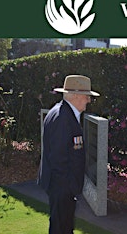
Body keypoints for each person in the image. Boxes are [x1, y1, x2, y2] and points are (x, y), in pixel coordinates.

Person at [37, 74, 100, 234]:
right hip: (62, 187)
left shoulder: (63, 113)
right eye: (87, 96)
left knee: (63, 227)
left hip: (62, 187)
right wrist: (70, 188)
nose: (89, 101)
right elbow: (58, 159)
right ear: (77, 95)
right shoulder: (62, 118)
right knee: (61, 229)